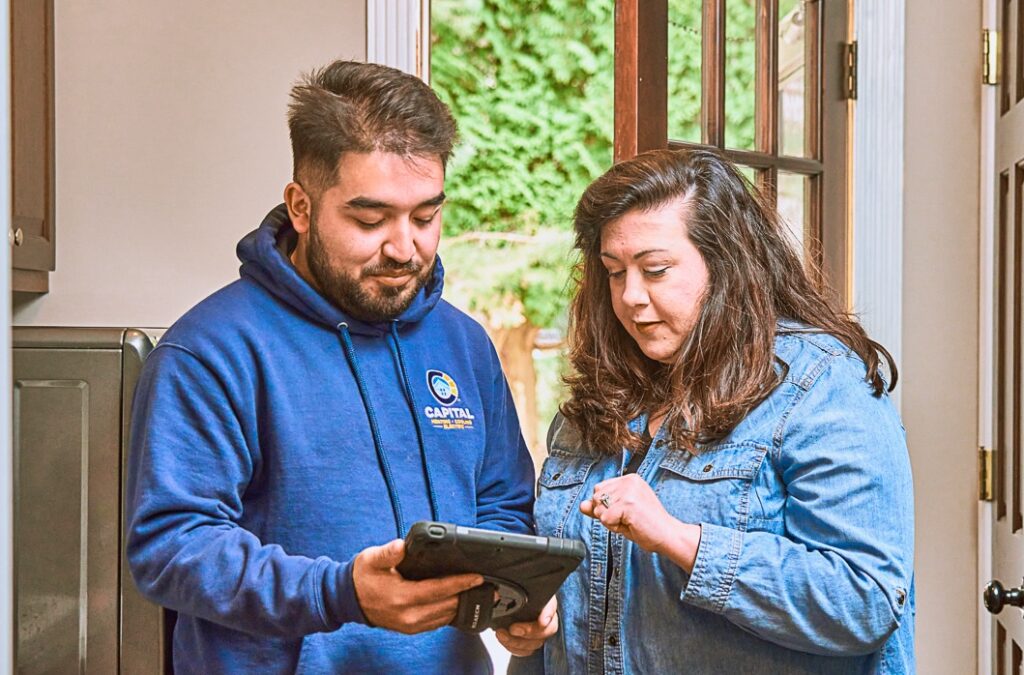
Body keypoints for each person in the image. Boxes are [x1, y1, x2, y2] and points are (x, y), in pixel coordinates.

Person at [126, 60, 555, 674]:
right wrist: (340, 593)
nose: (405, 247)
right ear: (301, 207)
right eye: (369, 219)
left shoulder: (462, 343)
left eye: (426, 216)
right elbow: (171, 547)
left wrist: (515, 600)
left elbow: (503, 510)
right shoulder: (209, 351)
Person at [516, 148, 915, 673]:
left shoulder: (821, 384)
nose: (630, 296)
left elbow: (865, 602)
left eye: (655, 270)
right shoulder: (598, 399)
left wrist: (682, 541)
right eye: (614, 273)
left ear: (726, 264)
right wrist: (526, 625)